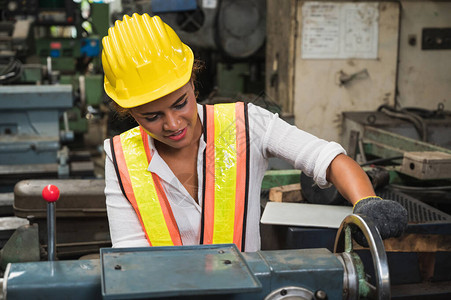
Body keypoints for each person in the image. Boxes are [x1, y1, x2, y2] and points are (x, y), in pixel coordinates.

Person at [102, 13, 407, 251]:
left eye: (180, 103)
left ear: (192, 82)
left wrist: (367, 201)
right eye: (152, 116)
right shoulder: (119, 158)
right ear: (129, 112)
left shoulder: (246, 124)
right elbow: (130, 254)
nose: (172, 123)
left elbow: (325, 158)